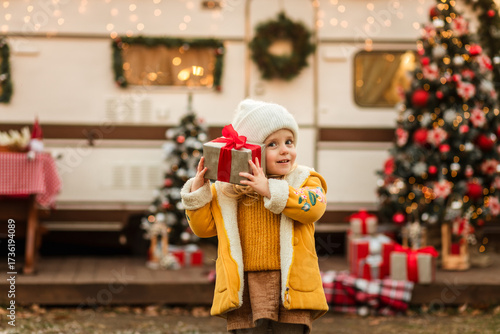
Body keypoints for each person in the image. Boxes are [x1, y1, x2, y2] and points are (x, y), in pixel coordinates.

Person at [180, 99, 328, 333]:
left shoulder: (303, 179)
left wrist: (270, 189)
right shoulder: (228, 189)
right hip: (245, 284)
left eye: (289, 141)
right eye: (272, 144)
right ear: (251, 151)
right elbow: (203, 228)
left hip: (288, 283)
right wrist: (199, 191)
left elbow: (314, 208)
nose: (285, 150)